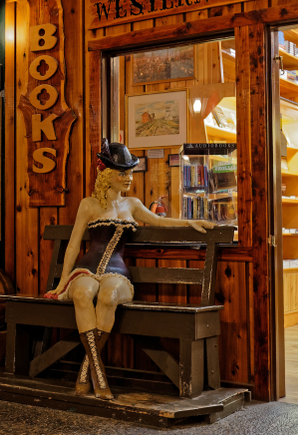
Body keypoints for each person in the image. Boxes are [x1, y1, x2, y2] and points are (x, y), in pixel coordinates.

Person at [44, 139, 218, 400]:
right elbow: (72, 247)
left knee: (108, 296)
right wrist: (61, 283)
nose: (128, 178)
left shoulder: (132, 205)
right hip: (86, 269)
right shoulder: (88, 204)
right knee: (81, 294)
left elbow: (158, 220)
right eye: (122, 173)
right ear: (106, 175)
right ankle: (99, 375)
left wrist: (191, 220)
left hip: (117, 272)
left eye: (130, 173)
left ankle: (88, 370)